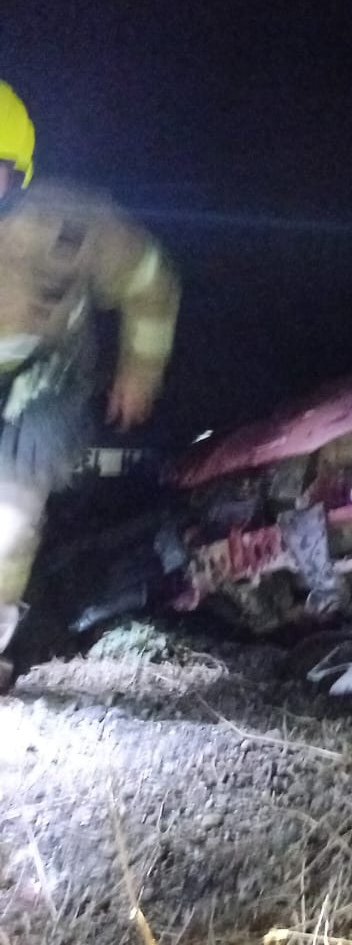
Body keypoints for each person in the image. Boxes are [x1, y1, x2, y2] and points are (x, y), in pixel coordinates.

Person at [0, 81, 181, 690]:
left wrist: (140, 370)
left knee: (10, 497)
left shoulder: (70, 225)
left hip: (50, 377)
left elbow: (151, 281)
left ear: (17, 175)